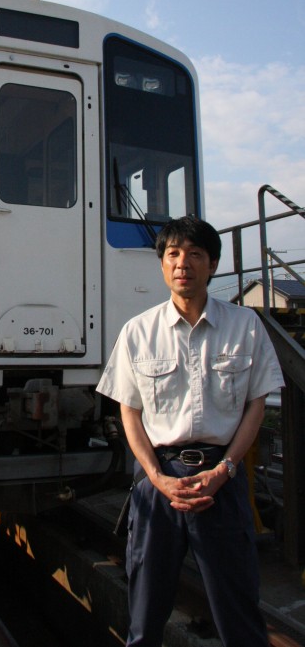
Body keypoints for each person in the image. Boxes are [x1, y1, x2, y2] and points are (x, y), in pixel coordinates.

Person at [96, 216, 284, 647]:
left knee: (240, 616)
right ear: (162, 265)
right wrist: (158, 478)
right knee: (144, 618)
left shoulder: (245, 326)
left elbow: (256, 405)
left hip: (222, 481)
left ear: (212, 264)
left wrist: (225, 471)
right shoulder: (137, 333)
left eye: (195, 254)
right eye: (173, 254)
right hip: (158, 485)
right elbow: (130, 413)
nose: (184, 264)